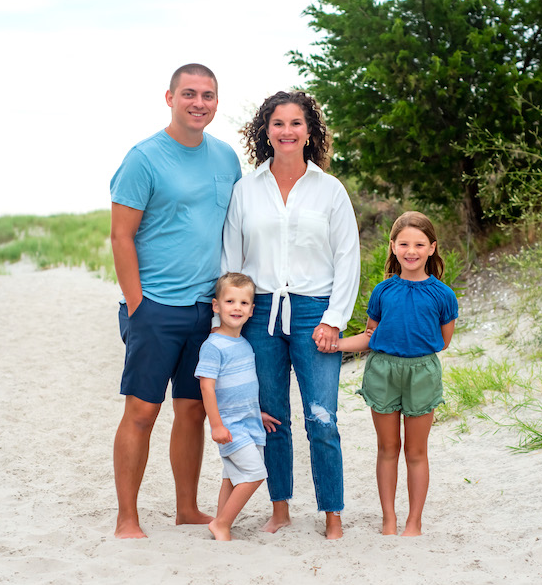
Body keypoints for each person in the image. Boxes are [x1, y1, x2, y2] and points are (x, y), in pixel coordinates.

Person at [109, 63, 242, 539]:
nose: (198, 103)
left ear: (216, 102)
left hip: (206, 310)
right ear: (169, 98)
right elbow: (121, 237)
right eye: (189, 93)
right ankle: (128, 518)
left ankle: (187, 507)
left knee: (192, 411)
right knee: (142, 412)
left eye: (207, 95)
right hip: (155, 307)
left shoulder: (227, 158)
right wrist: (138, 305)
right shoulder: (144, 158)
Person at [222, 90, 360, 540]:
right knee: (272, 414)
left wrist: (334, 319)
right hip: (259, 313)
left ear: (309, 131)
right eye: (277, 123)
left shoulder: (330, 190)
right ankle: (280, 509)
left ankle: (332, 514)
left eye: (296, 123)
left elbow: (347, 259)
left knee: (322, 417)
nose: (286, 131)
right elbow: (232, 262)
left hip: (314, 312)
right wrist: (232, 323)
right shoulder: (246, 189)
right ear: (266, 131)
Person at [337, 211, 458, 537]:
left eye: (419, 244)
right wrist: (335, 344)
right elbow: (370, 336)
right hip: (383, 371)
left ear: (432, 248)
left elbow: (443, 342)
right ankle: (388, 518)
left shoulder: (443, 295)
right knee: (387, 448)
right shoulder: (382, 291)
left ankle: (413, 522)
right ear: (393, 246)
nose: (411, 250)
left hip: (422, 373)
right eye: (403, 243)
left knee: (416, 451)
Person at [195, 273, 272, 541]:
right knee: (254, 473)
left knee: (232, 475)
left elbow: (243, 385)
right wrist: (216, 424)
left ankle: (220, 521)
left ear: (252, 310)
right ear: (216, 306)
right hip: (229, 424)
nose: (236, 307)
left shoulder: (245, 344)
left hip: (249, 420)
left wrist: (256, 411)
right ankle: (223, 523)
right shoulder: (213, 345)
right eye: (229, 301)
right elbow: (207, 387)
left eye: (243, 303)